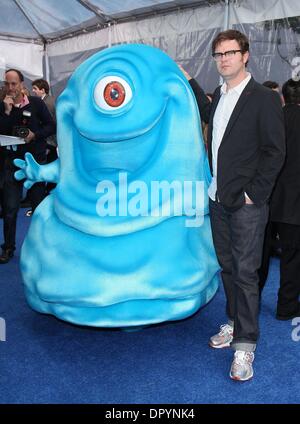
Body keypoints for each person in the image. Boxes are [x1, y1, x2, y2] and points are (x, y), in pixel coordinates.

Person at [205, 30, 285, 381]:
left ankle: (245, 347)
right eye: (219, 54)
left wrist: (255, 194)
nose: (224, 59)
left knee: (246, 273)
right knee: (227, 267)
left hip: (247, 204)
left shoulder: (263, 97)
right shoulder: (218, 96)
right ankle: (234, 323)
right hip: (217, 198)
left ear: (246, 55)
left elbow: (275, 151)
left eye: (231, 52)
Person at [0, 69, 55, 264]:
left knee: (39, 208)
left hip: (35, 164)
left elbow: (51, 126)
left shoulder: (37, 103)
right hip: (11, 164)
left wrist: (35, 135)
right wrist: (7, 112)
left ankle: (44, 247)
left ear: (22, 84)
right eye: (7, 83)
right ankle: (7, 248)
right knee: (10, 208)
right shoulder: (3, 105)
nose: (10, 87)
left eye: (14, 83)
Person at [269, 78, 300, 320]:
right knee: (292, 258)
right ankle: (286, 306)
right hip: (294, 205)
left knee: (257, 258)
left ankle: (246, 306)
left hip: (266, 200)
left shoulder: (274, 118)